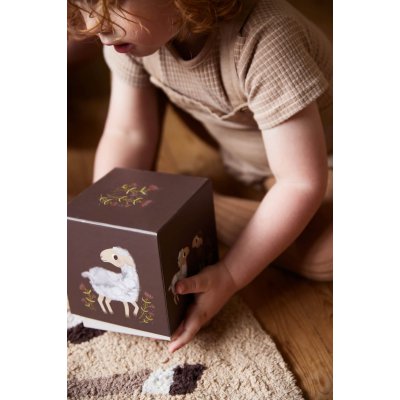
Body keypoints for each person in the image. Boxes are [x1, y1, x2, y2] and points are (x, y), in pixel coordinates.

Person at [67, 0, 333, 353]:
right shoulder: (133, 39)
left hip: (324, 166)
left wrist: (230, 274)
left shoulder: (266, 38)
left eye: (111, 2)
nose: (94, 24)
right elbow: (128, 134)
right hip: (256, 165)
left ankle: (191, 211)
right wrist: (107, 222)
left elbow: (300, 182)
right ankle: (188, 212)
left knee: (326, 256)